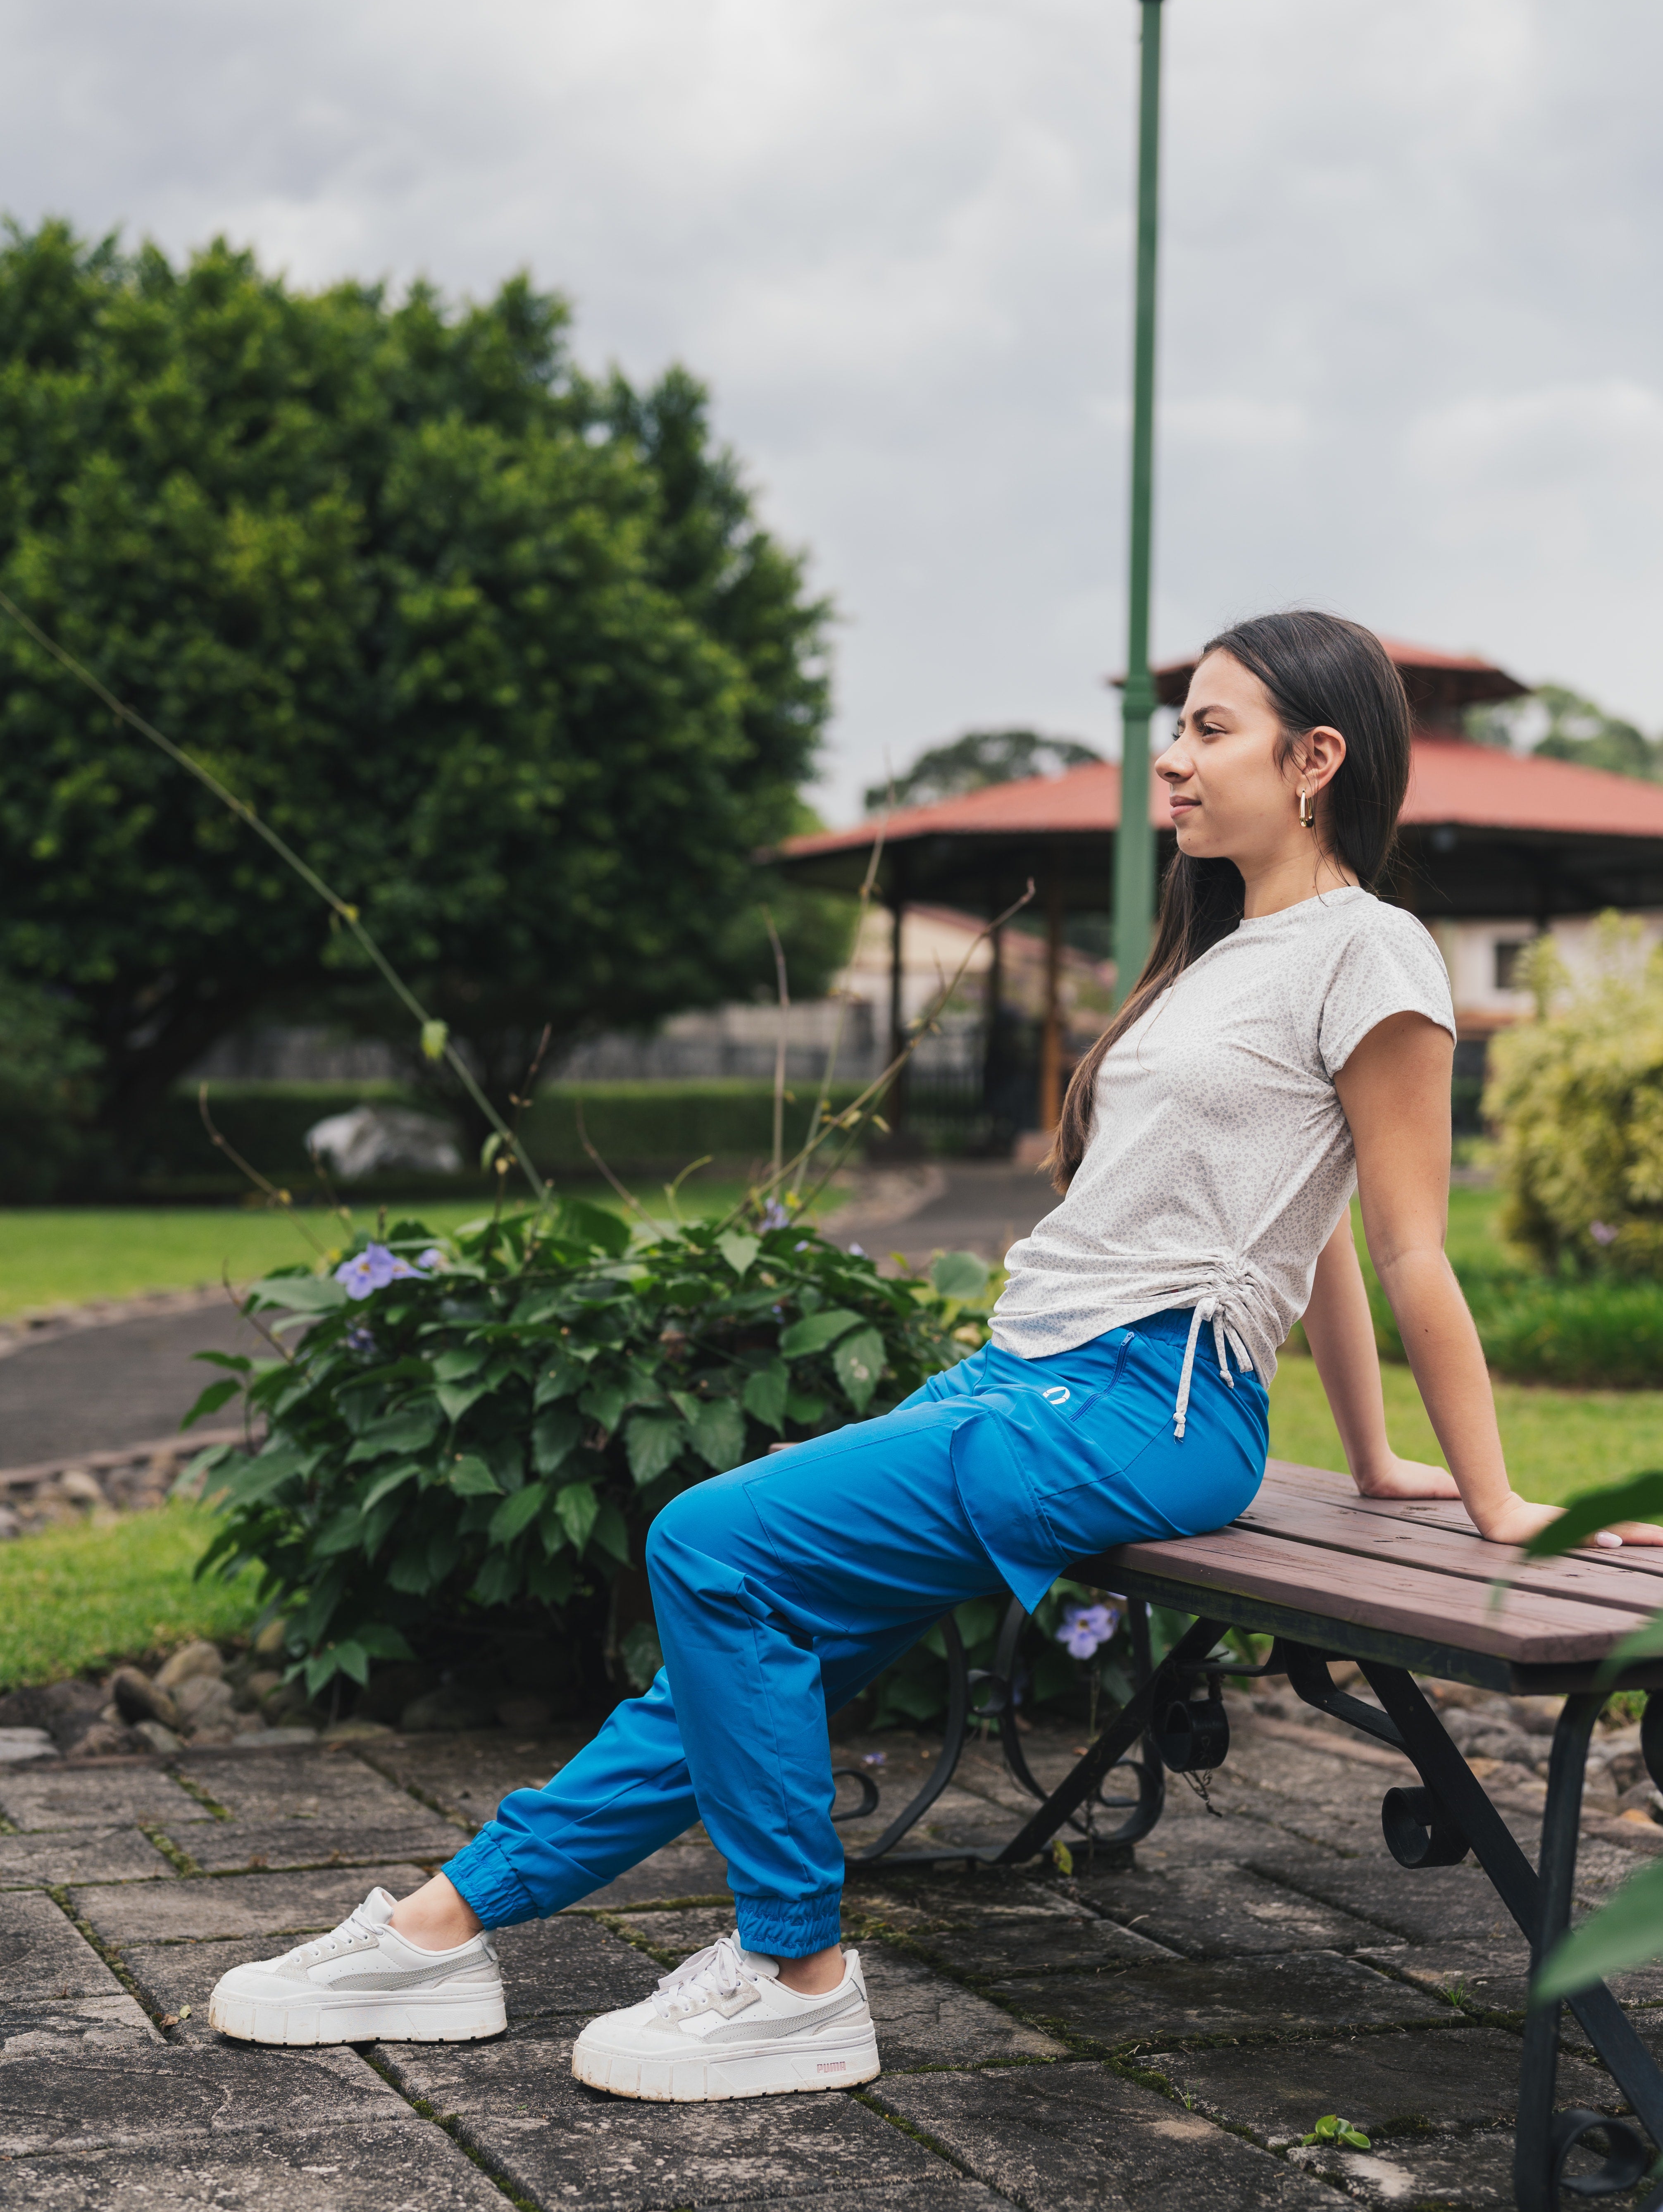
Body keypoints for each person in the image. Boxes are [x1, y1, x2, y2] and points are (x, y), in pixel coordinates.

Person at [208, 608, 1663, 2093]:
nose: (1169, 761)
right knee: (728, 1644)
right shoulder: (1227, 954)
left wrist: (1491, 1506)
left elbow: (1408, 1242)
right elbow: (1320, 1233)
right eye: (1176, 727)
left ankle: (796, 1972)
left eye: (1208, 730)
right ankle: (440, 1934)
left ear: (1316, 761)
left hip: (1136, 1408)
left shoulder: (1376, 952)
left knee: (709, 1544)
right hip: (1025, 1381)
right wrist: (1368, 1458)